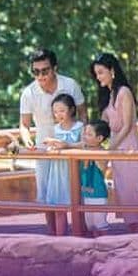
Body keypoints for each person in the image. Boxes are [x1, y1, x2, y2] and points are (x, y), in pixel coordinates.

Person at [19, 49, 86, 234]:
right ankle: (53, 236)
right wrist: (27, 141)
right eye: (36, 71)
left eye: (45, 70)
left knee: (76, 190)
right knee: (47, 194)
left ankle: (80, 232)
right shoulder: (28, 93)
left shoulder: (70, 85)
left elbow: (83, 113)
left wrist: (84, 140)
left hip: (71, 145)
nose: (40, 76)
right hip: (43, 148)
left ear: (54, 68)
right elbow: (24, 125)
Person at [90, 52, 138, 233]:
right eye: (96, 74)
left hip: (128, 147)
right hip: (116, 149)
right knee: (122, 191)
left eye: (101, 72)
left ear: (112, 71)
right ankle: (133, 233)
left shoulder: (124, 92)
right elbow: (103, 126)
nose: (98, 77)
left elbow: (128, 126)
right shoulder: (109, 94)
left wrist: (109, 150)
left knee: (131, 193)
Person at [42, 94, 83, 236]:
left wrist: (67, 145)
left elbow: (85, 144)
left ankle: (80, 235)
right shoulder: (55, 129)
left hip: (74, 169)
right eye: (55, 111)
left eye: (62, 110)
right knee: (59, 206)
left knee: (78, 205)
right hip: (58, 170)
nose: (58, 114)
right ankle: (61, 238)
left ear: (71, 110)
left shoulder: (80, 127)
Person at [80, 120, 111, 237]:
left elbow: (102, 166)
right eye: (85, 133)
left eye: (89, 134)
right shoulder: (83, 149)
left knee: (100, 224)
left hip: (98, 194)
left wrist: (90, 153)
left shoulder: (102, 152)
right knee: (90, 224)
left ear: (99, 138)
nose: (85, 137)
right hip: (86, 193)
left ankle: (104, 246)